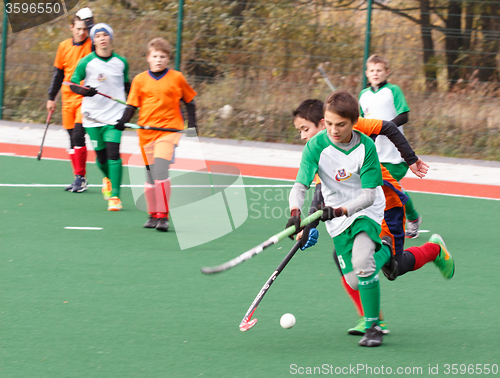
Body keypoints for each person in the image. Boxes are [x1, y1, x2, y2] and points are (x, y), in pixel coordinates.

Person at [292, 98, 455, 338]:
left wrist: (410, 159)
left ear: (322, 122)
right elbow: (318, 193)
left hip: (384, 207)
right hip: (350, 213)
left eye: (305, 129)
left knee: (392, 267)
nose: (303, 136)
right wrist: (305, 223)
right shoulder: (318, 150)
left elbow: (388, 127)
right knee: (348, 263)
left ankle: (434, 250)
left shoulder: (358, 135)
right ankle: (370, 317)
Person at [287, 90, 397, 347]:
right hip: (337, 217)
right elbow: (300, 185)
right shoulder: (315, 146)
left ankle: (373, 327)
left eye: (341, 124)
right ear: (323, 120)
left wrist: (340, 210)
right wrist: (295, 213)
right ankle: (385, 251)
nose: (334, 130)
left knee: (362, 261)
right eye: (329, 124)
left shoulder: (366, 148)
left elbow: (369, 195)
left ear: (353, 122)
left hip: (364, 210)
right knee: (355, 280)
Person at [115, 37, 197, 231]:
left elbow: (190, 102)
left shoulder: (177, 78)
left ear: (168, 59)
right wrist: (122, 121)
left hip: (169, 132)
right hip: (146, 133)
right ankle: (152, 214)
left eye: (162, 56)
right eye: (155, 56)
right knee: (150, 175)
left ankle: (163, 216)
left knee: (160, 169)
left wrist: (192, 125)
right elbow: (132, 105)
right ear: (148, 58)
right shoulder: (140, 80)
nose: (158, 60)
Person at [359, 54, 422, 239]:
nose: (375, 73)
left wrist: (384, 128)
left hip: (395, 154)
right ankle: (410, 217)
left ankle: (408, 220)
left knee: (390, 188)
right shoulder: (363, 95)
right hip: (373, 154)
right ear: (367, 73)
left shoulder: (393, 90)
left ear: (387, 72)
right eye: (372, 70)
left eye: (379, 70)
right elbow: (362, 122)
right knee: (388, 188)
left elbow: (404, 115)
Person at [70, 23, 130, 211]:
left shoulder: (121, 62)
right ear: (94, 40)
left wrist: (132, 108)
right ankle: (107, 179)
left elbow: (128, 87)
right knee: (102, 158)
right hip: (92, 117)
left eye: (105, 35)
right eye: (98, 35)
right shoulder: (86, 62)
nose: (102, 38)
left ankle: (115, 196)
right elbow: (71, 83)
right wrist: (85, 91)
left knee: (114, 154)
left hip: (114, 117)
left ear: (111, 38)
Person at [46, 7, 94, 192]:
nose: (82, 32)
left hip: (85, 100)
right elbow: (58, 74)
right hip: (67, 100)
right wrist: (51, 97)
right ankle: (78, 178)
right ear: (71, 27)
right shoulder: (63, 46)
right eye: (78, 28)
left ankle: (81, 178)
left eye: (85, 29)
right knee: (71, 139)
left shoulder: (92, 45)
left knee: (78, 135)